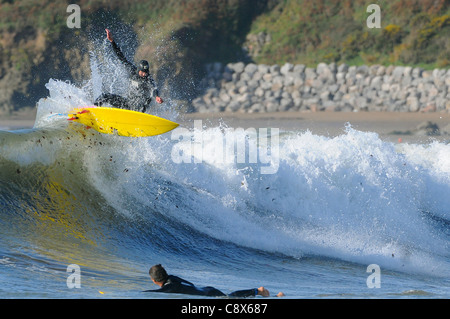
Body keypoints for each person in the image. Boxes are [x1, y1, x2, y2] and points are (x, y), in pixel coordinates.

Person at [94, 28, 163, 113]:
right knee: (105, 96)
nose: (145, 74)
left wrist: (156, 96)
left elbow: (154, 88)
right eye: (143, 72)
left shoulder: (148, 79)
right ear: (138, 70)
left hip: (139, 108)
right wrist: (112, 41)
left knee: (142, 102)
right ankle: (92, 110)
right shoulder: (132, 70)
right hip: (128, 103)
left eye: (146, 72)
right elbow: (120, 56)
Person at [143, 264, 284, 297]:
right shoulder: (172, 278)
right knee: (229, 298)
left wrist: (140, 292)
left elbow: (159, 292)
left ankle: (258, 291)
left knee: (230, 299)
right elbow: (190, 285)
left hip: (207, 294)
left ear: (154, 280)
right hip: (206, 289)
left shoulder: (169, 286)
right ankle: (272, 295)